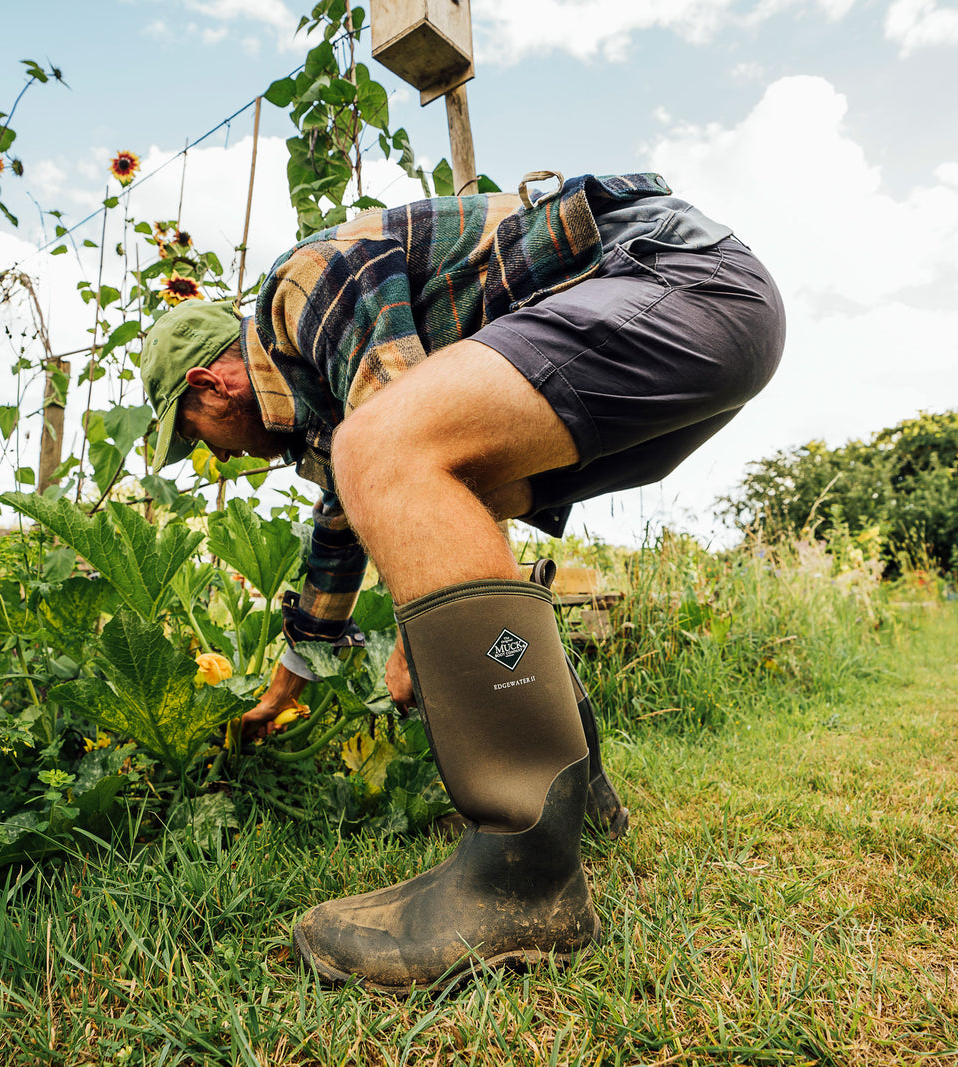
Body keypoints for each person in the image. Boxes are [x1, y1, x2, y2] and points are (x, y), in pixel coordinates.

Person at [138, 170, 785, 993]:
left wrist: (416, 642)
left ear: (210, 384)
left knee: (384, 449)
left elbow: (391, 419)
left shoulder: (298, 288)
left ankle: (525, 876)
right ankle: (578, 792)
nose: (209, 452)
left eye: (190, 431)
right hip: (696, 316)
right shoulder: (317, 398)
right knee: (434, 490)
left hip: (676, 283)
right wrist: (287, 682)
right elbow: (348, 522)